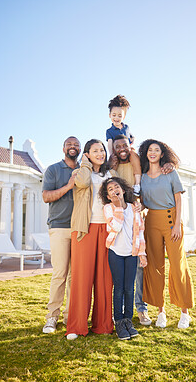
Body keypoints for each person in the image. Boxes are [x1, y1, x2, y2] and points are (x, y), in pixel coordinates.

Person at [109, 134, 175, 327]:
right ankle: (118, 312)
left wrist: (170, 164)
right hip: (117, 221)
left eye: (125, 145)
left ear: (130, 146)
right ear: (113, 148)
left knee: (139, 267)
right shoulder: (111, 167)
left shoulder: (139, 165)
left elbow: (154, 181)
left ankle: (141, 309)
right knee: (118, 271)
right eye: (117, 146)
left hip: (137, 221)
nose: (121, 149)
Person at [139, 139, 194, 329]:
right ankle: (160, 312)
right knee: (154, 267)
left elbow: (179, 199)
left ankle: (185, 312)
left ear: (162, 154)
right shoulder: (143, 178)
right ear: (146, 153)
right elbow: (144, 202)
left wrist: (177, 224)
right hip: (151, 222)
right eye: (150, 150)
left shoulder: (170, 172)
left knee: (177, 265)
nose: (153, 152)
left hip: (171, 220)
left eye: (157, 150)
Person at [66, 139, 117, 340]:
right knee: (82, 278)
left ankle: (103, 324)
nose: (100, 153)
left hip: (106, 228)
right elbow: (84, 183)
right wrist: (85, 163)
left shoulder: (111, 174)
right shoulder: (79, 172)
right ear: (87, 154)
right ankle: (76, 326)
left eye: (102, 150)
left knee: (105, 278)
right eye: (95, 151)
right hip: (84, 229)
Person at [99, 177, 147, 340]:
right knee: (119, 288)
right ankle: (119, 321)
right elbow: (115, 227)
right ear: (107, 195)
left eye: (116, 187)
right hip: (116, 253)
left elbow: (140, 231)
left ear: (123, 190)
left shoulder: (134, 208)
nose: (113, 190)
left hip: (131, 253)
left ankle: (128, 321)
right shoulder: (108, 208)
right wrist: (118, 207)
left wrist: (142, 253)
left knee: (129, 288)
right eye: (110, 189)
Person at [42, 136, 81, 334]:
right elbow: (46, 196)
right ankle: (52, 317)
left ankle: (70, 316)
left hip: (80, 229)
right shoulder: (53, 169)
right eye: (69, 144)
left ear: (81, 149)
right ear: (63, 148)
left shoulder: (84, 170)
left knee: (76, 277)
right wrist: (68, 186)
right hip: (59, 227)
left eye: (76, 145)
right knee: (60, 274)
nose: (73, 147)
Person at [106, 95, 141, 194]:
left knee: (134, 156)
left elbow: (131, 137)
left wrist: (132, 139)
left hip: (128, 151)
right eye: (114, 115)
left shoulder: (126, 127)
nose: (116, 118)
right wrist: (111, 154)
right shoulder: (109, 131)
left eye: (120, 116)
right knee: (113, 167)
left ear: (124, 116)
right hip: (116, 152)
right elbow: (110, 143)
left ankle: (137, 184)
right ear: (110, 115)